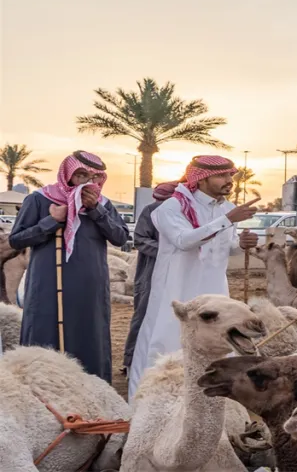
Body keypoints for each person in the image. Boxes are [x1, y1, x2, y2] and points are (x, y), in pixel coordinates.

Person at [128, 156, 260, 398]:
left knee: (217, 341)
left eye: (231, 175)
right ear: (200, 178)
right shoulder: (170, 208)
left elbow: (226, 247)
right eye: (222, 176)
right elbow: (184, 240)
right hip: (176, 289)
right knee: (165, 343)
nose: (229, 181)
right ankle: (148, 402)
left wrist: (241, 244)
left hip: (214, 290)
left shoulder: (227, 210)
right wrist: (228, 220)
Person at [10, 151, 129, 383]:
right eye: (81, 175)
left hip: (90, 288)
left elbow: (120, 238)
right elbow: (16, 240)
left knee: (89, 338)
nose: (87, 182)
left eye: (94, 177)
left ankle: (92, 397)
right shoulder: (39, 200)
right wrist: (51, 221)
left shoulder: (102, 204)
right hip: (48, 285)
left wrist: (96, 211)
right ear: (68, 173)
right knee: (45, 338)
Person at [121, 181, 177, 374]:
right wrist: (168, 251)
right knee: (144, 316)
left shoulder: (185, 213)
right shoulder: (152, 211)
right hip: (151, 273)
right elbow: (140, 239)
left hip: (178, 273)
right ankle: (131, 361)